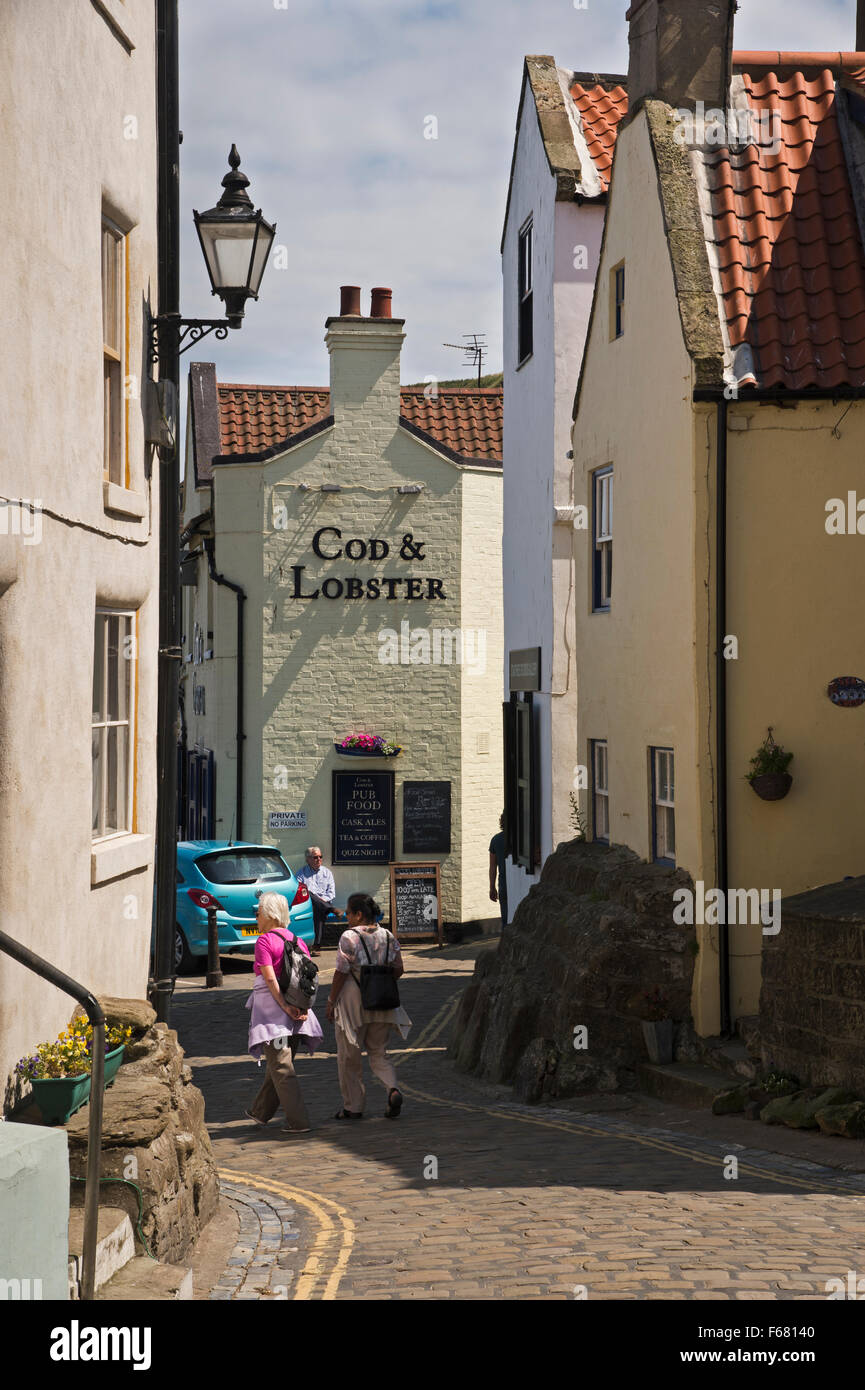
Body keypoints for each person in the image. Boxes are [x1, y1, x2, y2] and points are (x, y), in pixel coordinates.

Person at [325, 893, 411, 1120]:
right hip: (382, 1000)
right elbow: (399, 968)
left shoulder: (348, 937)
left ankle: (353, 1107)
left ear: (359, 914)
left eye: (349, 913)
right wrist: (380, 982)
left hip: (353, 1000)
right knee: (379, 1052)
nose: (346, 917)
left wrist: (331, 1001)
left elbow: (341, 972)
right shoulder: (388, 936)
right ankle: (392, 1089)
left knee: (349, 1056)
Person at [244, 891, 322, 1133]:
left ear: (269, 914)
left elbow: (269, 979)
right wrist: (304, 1007)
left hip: (274, 1015)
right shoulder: (298, 941)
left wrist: (284, 1006)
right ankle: (260, 1112)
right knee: (279, 1065)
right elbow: (309, 979)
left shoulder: (264, 941)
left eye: (258, 911)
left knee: (281, 1068)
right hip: (299, 1015)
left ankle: (299, 1122)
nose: (256, 916)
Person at [297, 846, 337, 956]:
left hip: (324, 903)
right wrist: (315, 900)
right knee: (308, 893)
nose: (319, 859)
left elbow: (331, 893)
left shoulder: (327, 873)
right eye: (315, 857)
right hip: (308, 904)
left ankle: (316, 945)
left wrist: (321, 901)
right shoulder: (301, 873)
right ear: (308, 859)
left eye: (320, 857)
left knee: (319, 909)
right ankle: (317, 945)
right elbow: (299, 892)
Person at [489, 812, 508, 932]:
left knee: (505, 919)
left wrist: (492, 887)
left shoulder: (496, 840)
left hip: (503, 884)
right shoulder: (521, 838)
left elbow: (492, 867)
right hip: (519, 883)